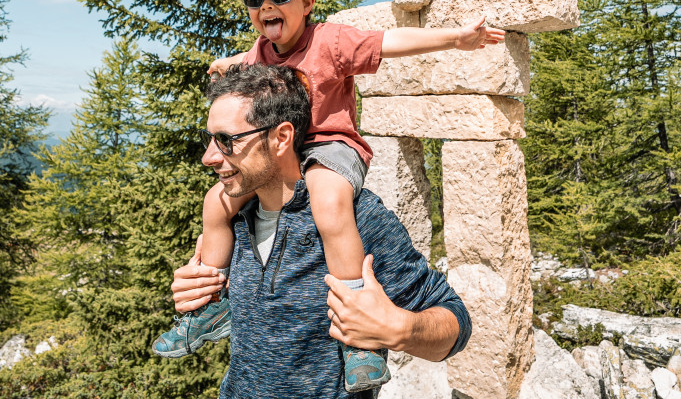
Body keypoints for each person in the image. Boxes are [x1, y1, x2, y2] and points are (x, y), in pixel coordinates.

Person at [152, 0, 501, 393]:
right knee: (215, 201)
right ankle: (210, 308)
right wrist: (198, 284)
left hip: (331, 146)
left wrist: (454, 38)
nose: (265, 6)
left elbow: (388, 43)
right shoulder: (259, 55)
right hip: (286, 153)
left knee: (328, 197)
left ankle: (358, 339)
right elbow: (246, 64)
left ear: (309, 0)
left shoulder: (330, 42)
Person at [171, 63, 471, 399]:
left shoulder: (357, 217)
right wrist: (198, 293)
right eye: (209, 139)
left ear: (282, 137)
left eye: (226, 140)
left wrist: (401, 329)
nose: (209, 157)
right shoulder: (233, 216)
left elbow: (455, 323)